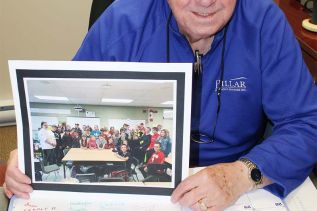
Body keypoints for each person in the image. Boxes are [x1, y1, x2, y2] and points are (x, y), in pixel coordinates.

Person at [4, 0, 317, 210]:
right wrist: (27, 154)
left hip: (234, 177)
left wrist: (242, 174)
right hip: (143, 188)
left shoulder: (264, 21)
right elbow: (68, 102)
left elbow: (307, 123)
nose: (206, 0)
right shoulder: (122, 20)